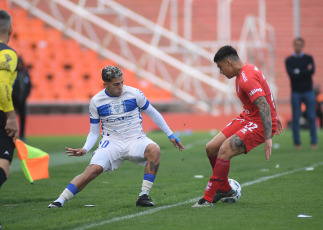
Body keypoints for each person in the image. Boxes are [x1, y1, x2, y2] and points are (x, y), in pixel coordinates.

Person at [48, 66, 184, 208]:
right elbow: (94, 132)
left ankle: (143, 196)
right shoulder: (96, 101)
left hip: (135, 139)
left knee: (154, 149)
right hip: (111, 142)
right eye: (116, 84)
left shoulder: (134, 93)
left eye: (122, 82)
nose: (121, 87)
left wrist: (170, 134)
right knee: (92, 171)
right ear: (105, 84)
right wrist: (85, 148)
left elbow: (153, 112)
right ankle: (60, 200)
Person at [192, 45, 283, 207]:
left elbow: (263, 104)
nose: (220, 72)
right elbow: (266, 92)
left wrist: (269, 136)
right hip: (248, 117)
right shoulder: (246, 71)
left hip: (259, 124)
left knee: (225, 150)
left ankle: (207, 199)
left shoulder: (247, 77)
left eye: (220, 67)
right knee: (211, 148)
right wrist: (274, 113)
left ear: (228, 62)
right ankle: (225, 189)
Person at [285, 37, 317, 150]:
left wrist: (298, 71)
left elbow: (312, 71)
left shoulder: (309, 58)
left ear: (302, 46)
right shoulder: (289, 60)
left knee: (312, 116)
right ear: (294, 45)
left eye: (300, 45)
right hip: (296, 92)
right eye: (296, 45)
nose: (298, 47)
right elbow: (292, 75)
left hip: (309, 91)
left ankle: (314, 142)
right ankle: (297, 143)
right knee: (296, 118)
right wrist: (305, 71)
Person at [0, 10, 19, 188]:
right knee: (3, 165)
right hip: (0, 113)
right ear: (10, 29)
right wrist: (11, 117)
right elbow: (2, 85)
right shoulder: (7, 53)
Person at [12, 56, 31, 141]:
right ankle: (12, 134)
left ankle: (22, 135)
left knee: (23, 118)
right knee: (11, 117)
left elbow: (29, 85)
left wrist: (26, 95)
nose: (19, 65)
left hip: (23, 100)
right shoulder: (13, 73)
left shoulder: (25, 73)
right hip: (13, 100)